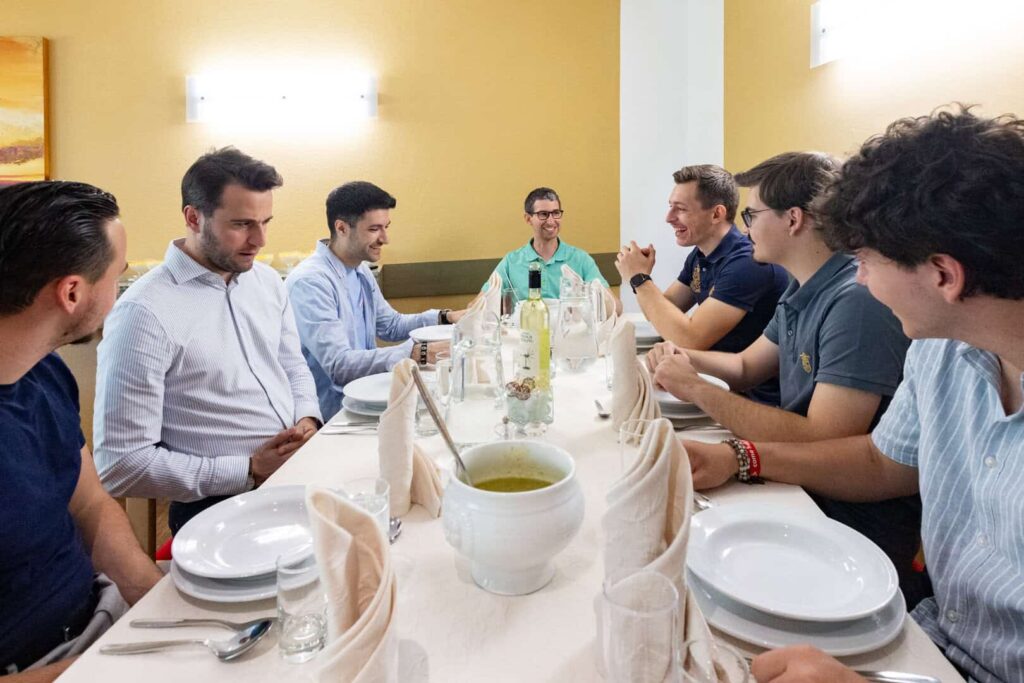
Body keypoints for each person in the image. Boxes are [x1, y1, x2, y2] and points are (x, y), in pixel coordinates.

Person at [683, 108, 1024, 683]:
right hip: (931, 637)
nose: (859, 279)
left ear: (944, 275)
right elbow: (880, 461)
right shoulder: (940, 348)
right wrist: (741, 458)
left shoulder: (867, 311)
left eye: (866, 260)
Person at [650, 152, 924, 605]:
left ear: (793, 219)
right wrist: (685, 360)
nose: (746, 227)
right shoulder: (803, 284)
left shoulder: (854, 302)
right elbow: (744, 367)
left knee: (690, 569)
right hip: (798, 482)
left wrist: (696, 389)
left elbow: (824, 437)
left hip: (846, 516)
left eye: (752, 214)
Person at [94, 148, 322, 534]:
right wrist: (249, 469)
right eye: (242, 224)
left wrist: (307, 418)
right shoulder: (144, 313)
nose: (260, 240)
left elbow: (292, 365)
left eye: (266, 222)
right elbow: (121, 465)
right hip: (220, 503)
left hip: (298, 470)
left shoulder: (266, 283)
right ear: (193, 217)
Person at [0, 181, 163, 680]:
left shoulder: (45, 373)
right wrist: (96, 668)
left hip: (97, 618)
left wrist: (159, 604)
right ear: (72, 292)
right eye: (118, 278)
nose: (119, 294)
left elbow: (89, 503)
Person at [286, 181, 467, 421]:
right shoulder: (310, 282)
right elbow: (340, 366)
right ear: (341, 228)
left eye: (386, 227)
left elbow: (390, 325)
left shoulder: (359, 269)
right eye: (374, 229)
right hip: (334, 416)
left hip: (367, 399)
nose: (385, 238)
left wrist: (446, 317)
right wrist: (416, 352)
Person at [616, 165, 788, 404]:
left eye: (681, 209)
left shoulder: (747, 261)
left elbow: (690, 338)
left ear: (716, 214)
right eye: (670, 207)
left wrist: (639, 279)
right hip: (714, 382)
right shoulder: (700, 255)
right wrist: (642, 277)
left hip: (751, 398)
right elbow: (659, 312)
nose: (669, 218)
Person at [488, 187, 613, 303]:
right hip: (526, 326)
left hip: (569, 326)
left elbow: (615, 308)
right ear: (528, 218)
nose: (551, 221)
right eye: (543, 214)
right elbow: (481, 303)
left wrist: (589, 294)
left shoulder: (581, 259)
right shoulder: (510, 262)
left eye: (556, 213)